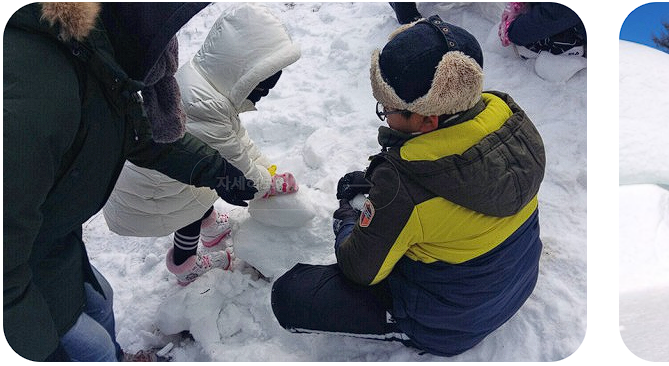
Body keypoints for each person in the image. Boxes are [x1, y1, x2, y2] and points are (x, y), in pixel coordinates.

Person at [269, 16, 546, 357]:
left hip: (450, 324)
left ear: (427, 120)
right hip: (516, 282)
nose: (384, 115)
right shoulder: (510, 122)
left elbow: (359, 268)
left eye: (387, 108)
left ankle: (414, 329)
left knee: (290, 295)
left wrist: (347, 217)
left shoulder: (403, 187)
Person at [4, 3, 264, 361]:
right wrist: (36, 353)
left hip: (51, 244)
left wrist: (216, 170)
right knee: (89, 348)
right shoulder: (36, 102)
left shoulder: (99, 64)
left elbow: (141, 138)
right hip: (19, 272)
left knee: (102, 301)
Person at [102, 4, 301, 286]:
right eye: (259, 89)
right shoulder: (204, 106)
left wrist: (266, 166)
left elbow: (236, 138)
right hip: (149, 198)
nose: (260, 98)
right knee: (191, 203)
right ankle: (186, 265)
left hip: (154, 177)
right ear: (242, 76)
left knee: (201, 183)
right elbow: (237, 165)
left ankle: (211, 227)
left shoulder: (204, 82)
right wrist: (268, 183)